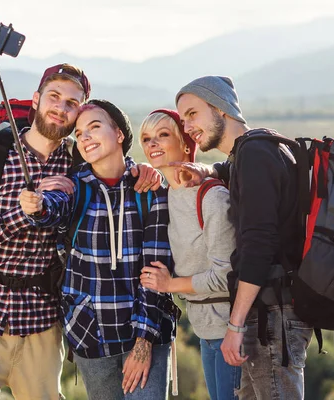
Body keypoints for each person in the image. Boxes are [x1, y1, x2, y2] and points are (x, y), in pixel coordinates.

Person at [0, 64, 161, 400]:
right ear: (36, 100)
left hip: (41, 321)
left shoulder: (76, 166)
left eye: (72, 103)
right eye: (54, 97)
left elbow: (112, 167)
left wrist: (144, 170)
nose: (61, 108)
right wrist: (21, 213)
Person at [20, 99, 176, 400]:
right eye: (79, 134)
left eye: (94, 127)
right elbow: (52, 208)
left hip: (144, 334)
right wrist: (36, 206)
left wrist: (143, 342)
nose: (86, 137)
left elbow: (157, 268)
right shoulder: (75, 188)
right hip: (91, 335)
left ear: (119, 134)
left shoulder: (150, 190)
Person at [174, 76, 313, 400]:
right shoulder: (257, 150)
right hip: (272, 314)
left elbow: (258, 248)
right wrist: (209, 172)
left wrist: (234, 326)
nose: (188, 126)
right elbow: (233, 169)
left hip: (271, 318)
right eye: (183, 119)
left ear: (221, 108)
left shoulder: (254, 155)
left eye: (192, 114)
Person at [137, 109, 246, 400]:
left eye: (163, 135)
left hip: (231, 329)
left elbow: (227, 275)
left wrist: (169, 285)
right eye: (147, 139)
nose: (153, 144)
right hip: (204, 328)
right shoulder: (168, 193)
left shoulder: (210, 197)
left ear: (186, 144)